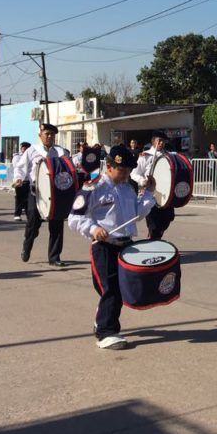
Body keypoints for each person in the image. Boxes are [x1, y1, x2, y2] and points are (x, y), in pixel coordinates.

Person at [68, 145, 156, 350]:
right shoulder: (93, 188)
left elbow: (137, 214)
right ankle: (106, 332)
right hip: (104, 246)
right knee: (111, 289)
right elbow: (74, 218)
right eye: (121, 170)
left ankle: (104, 321)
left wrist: (148, 194)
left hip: (126, 246)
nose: (125, 174)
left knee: (120, 289)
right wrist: (93, 229)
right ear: (108, 166)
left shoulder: (128, 188)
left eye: (127, 170)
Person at [14, 123, 70, 266]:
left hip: (56, 193)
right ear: (40, 135)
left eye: (52, 134)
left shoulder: (61, 152)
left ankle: (54, 257)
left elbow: (69, 167)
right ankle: (27, 245)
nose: (50, 136)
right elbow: (20, 167)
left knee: (57, 224)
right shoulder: (32, 151)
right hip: (36, 192)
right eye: (47, 134)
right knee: (33, 221)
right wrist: (18, 178)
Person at [131, 131, 175, 240]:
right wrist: (142, 181)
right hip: (151, 194)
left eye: (163, 141)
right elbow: (134, 173)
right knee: (153, 223)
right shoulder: (145, 156)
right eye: (159, 140)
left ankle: (156, 236)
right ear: (153, 141)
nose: (161, 143)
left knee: (168, 217)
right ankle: (153, 240)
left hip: (165, 193)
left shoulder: (168, 156)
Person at [11, 142, 31, 221]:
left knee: (28, 199)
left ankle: (29, 215)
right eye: (23, 148)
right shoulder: (17, 157)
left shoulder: (31, 157)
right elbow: (17, 169)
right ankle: (17, 214)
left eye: (26, 148)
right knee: (19, 198)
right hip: (19, 180)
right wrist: (17, 179)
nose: (24, 149)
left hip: (28, 181)